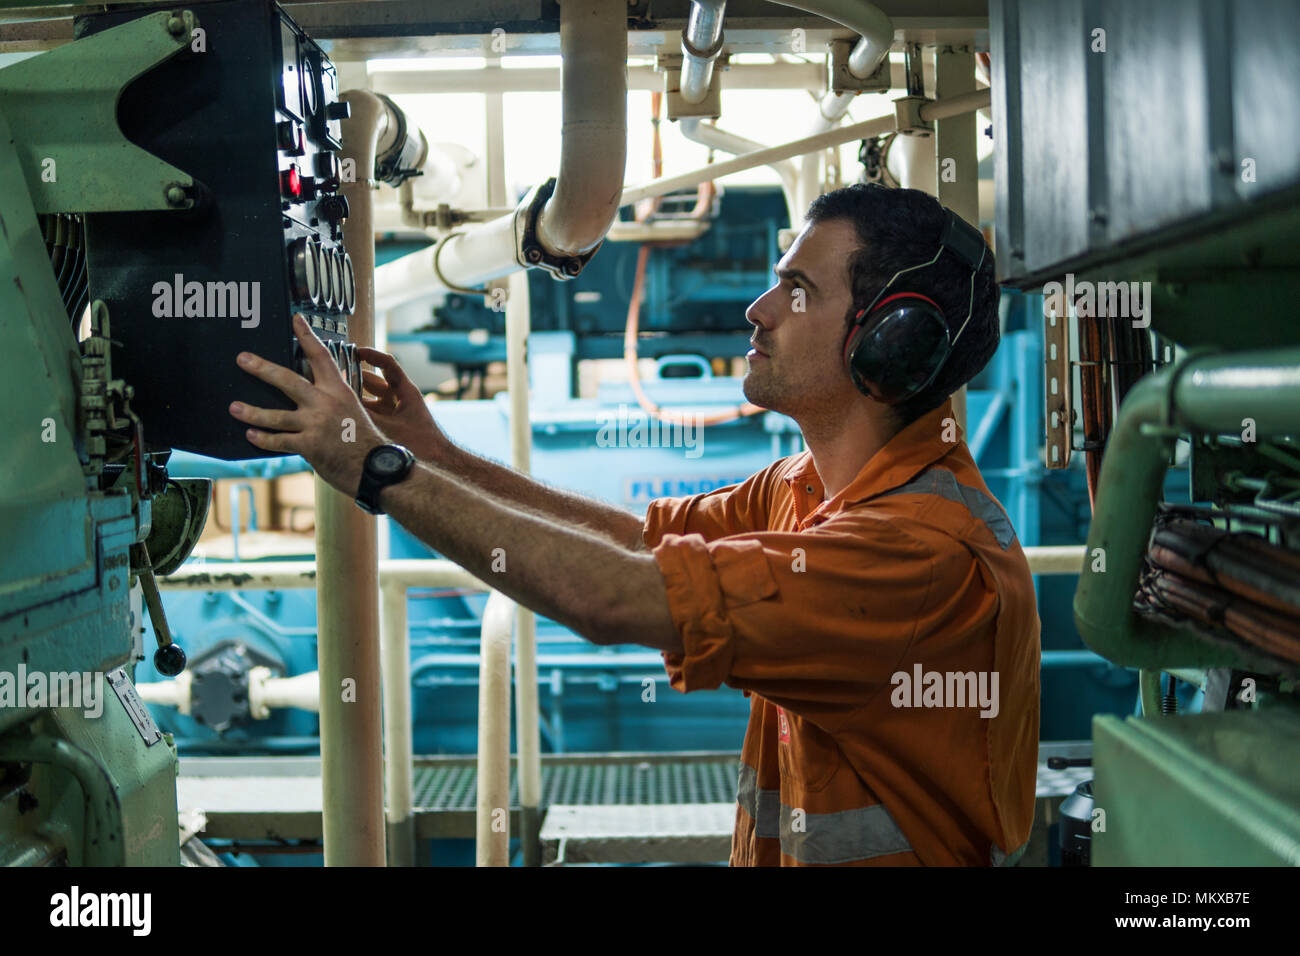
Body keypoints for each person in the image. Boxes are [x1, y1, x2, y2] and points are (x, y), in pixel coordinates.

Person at [229, 183, 1040, 866]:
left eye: (798, 292)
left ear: (893, 342)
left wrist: (377, 473)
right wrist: (433, 452)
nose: (758, 311)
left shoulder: (918, 556)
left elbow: (613, 598)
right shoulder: (810, 489)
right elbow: (637, 544)